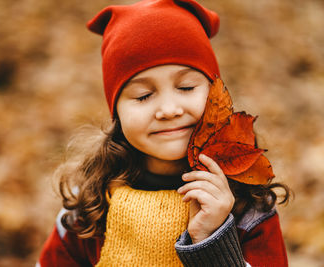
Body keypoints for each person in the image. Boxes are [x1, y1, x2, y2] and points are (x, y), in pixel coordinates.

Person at [37, 0, 290, 266]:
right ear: (116, 113)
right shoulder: (89, 206)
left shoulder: (248, 206)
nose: (169, 110)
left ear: (215, 93)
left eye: (186, 87)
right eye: (144, 96)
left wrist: (212, 240)